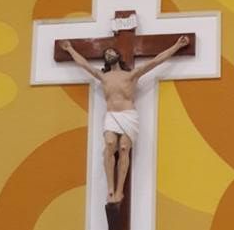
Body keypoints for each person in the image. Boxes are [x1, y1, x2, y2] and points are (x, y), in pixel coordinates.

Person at [60, 36, 190, 203]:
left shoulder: (131, 75)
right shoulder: (103, 76)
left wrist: (177, 46)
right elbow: (84, 64)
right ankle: (110, 189)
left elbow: (156, 61)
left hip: (128, 115)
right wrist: (70, 49)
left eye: (111, 52)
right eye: (106, 53)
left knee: (123, 148)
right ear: (105, 60)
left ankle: (119, 191)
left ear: (118, 56)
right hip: (111, 115)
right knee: (109, 144)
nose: (109, 54)